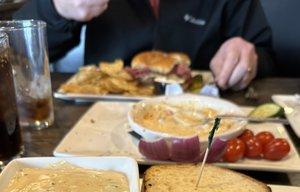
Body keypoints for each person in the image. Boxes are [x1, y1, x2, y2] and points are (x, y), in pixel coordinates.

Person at [15, 0, 276, 90]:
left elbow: (265, 55)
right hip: (99, 121)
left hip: (198, 118)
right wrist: (56, 9)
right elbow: (17, 51)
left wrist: (249, 58)